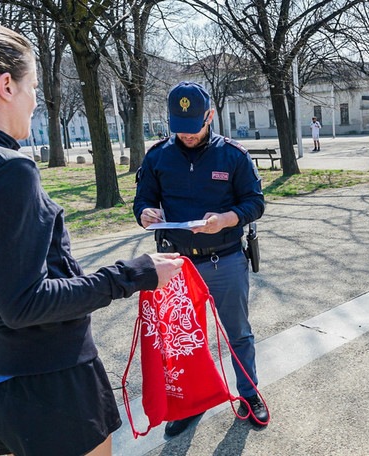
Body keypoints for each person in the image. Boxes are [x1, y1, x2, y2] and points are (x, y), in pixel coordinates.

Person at [0, 18, 184, 456]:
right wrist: (135, 273)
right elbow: (24, 303)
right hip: (53, 386)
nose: (35, 99)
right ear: (6, 85)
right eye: (33, 86)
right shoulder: (8, 168)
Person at [133, 81, 268, 436]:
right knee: (184, 340)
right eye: (180, 128)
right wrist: (146, 212)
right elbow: (142, 200)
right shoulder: (157, 156)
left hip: (225, 260)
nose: (187, 136)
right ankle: (192, 404)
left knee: (238, 333)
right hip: (176, 265)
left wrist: (227, 219)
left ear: (209, 116)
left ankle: (249, 394)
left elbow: (255, 202)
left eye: (194, 128)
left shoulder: (234, 155)